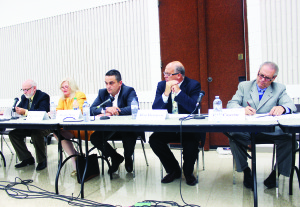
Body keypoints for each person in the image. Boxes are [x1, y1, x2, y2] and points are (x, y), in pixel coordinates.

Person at [227, 61, 297, 189]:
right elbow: (231, 104)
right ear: (258, 73)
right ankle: (246, 170)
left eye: (267, 78)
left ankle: (276, 174)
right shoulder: (245, 86)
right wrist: (241, 109)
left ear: (274, 78)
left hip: (269, 131)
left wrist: (282, 107)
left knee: (289, 140)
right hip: (248, 131)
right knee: (234, 136)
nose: (262, 79)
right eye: (260, 75)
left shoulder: (279, 88)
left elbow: (290, 105)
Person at [149, 61, 205, 186]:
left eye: (168, 74)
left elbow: (194, 109)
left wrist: (179, 92)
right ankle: (173, 170)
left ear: (178, 75)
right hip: (169, 128)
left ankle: (188, 172)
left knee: (191, 142)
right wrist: (165, 94)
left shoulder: (193, 85)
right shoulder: (162, 85)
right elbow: (155, 108)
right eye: (164, 73)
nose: (165, 76)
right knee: (154, 140)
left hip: (187, 128)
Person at [90, 69, 138, 174]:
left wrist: (114, 111)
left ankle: (128, 157)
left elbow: (133, 108)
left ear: (120, 83)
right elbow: (92, 109)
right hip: (110, 128)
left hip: (127, 128)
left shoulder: (128, 91)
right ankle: (115, 157)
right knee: (95, 137)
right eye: (106, 83)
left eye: (111, 83)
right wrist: (106, 110)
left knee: (128, 135)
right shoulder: (102, 93)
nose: (108, 86)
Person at [9, 79, 51, 171]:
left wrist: (25, 112)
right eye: (23, 89)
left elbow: (42, 112)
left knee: (36, 134)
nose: (24, 92)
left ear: (34, 88)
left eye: (26, 89)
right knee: (13, 134)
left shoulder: (43, 96)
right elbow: (19, 109)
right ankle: (27, 158)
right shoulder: (24, 97)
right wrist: (15, 111)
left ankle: (41, 161)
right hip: (29, 126)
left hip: (43, 126)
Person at [53, 77, 88, 176]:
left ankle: (76, 158)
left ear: (72, 87)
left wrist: (63, 113)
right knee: (56, 132)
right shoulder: (62, 99)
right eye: (62, 87)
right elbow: (58, 111)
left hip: (80, 129)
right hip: (67, 128)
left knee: (59, 133)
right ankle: (74, 157)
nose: (64, 89)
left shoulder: (79, 95)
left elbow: (79, 111)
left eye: (66, 87)